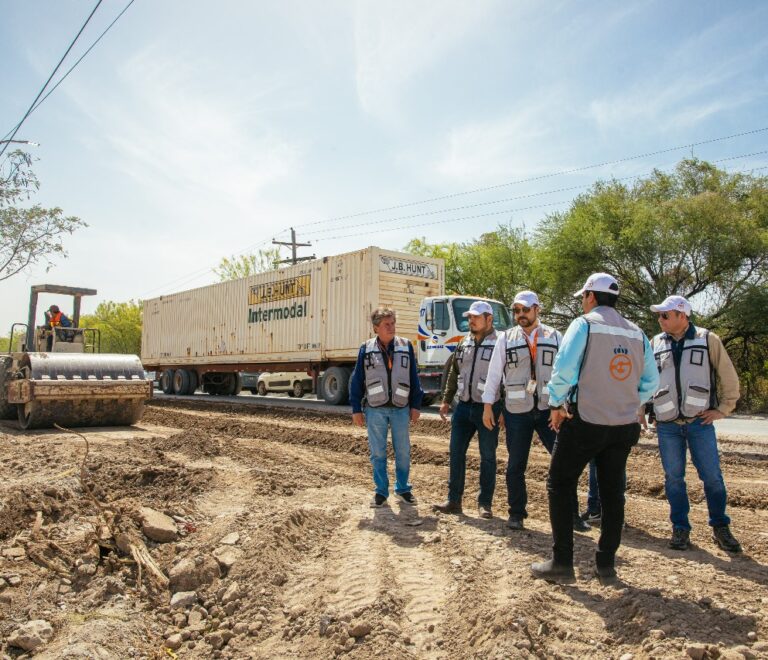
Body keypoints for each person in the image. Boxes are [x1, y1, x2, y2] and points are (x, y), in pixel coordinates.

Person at [530, 273, 659, 584]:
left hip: (585, 422)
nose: (582, 303)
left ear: (590, 296)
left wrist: (556, 403)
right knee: (613, 494)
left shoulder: (584, 325)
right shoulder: (637, 332)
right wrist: (627, 400)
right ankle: (606, 566)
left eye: (583, 297)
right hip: (623, 425)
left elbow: (564, 369)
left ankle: (562, 563)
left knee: (560, 484)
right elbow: (652, 381)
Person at [481, 291, 588, 532]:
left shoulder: (555, 336)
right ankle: (516, 513)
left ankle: (572, 515)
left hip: (549, 411)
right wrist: (488, 406)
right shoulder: (505, 338)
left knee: (563, 463)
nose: (520, 315)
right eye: (516, 310)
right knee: (515, 465)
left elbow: (569, 372)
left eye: (525, 310)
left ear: (537, 309)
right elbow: (494, 374)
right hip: (516, 411)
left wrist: (564, 405)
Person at [649, 295, 742, 553]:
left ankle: (720, 527)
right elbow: (646, 379)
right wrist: (641, 409)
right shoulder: (655, 342)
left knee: (712, 477)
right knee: (674, 479)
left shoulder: (708, 339)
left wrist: (723, 409)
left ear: (682, 315)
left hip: (699, 423)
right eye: (659, 315)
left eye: (665, 315)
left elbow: (728, 376)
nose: (660, 319)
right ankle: (680, 528)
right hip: (667, 425)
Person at [433, 300, 502, 519]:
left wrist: (504, 411)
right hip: (463, 408)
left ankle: (485, 504)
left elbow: (507, 378)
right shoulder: (464, 342)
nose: (471, 320)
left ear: (489, 319)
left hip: (488, 409)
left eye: (475, 317)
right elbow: (454, 372)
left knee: (487, 456)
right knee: (456, 453)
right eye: (469, 317)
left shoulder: (501, 343)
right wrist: (446, 400)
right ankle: (454, 501)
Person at [350, 307, 424, 508]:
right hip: (375, 409)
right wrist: (356, 409)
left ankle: (403, 489)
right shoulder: (365, 349)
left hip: (401, 408)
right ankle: (381, 492)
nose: (391, 327)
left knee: (403, 452)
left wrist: (416, 405)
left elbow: (414, 377)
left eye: (393, 323)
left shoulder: (405, 346)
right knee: (378, 453)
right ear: (376, 328)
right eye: (386, 324)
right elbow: (357, 380)